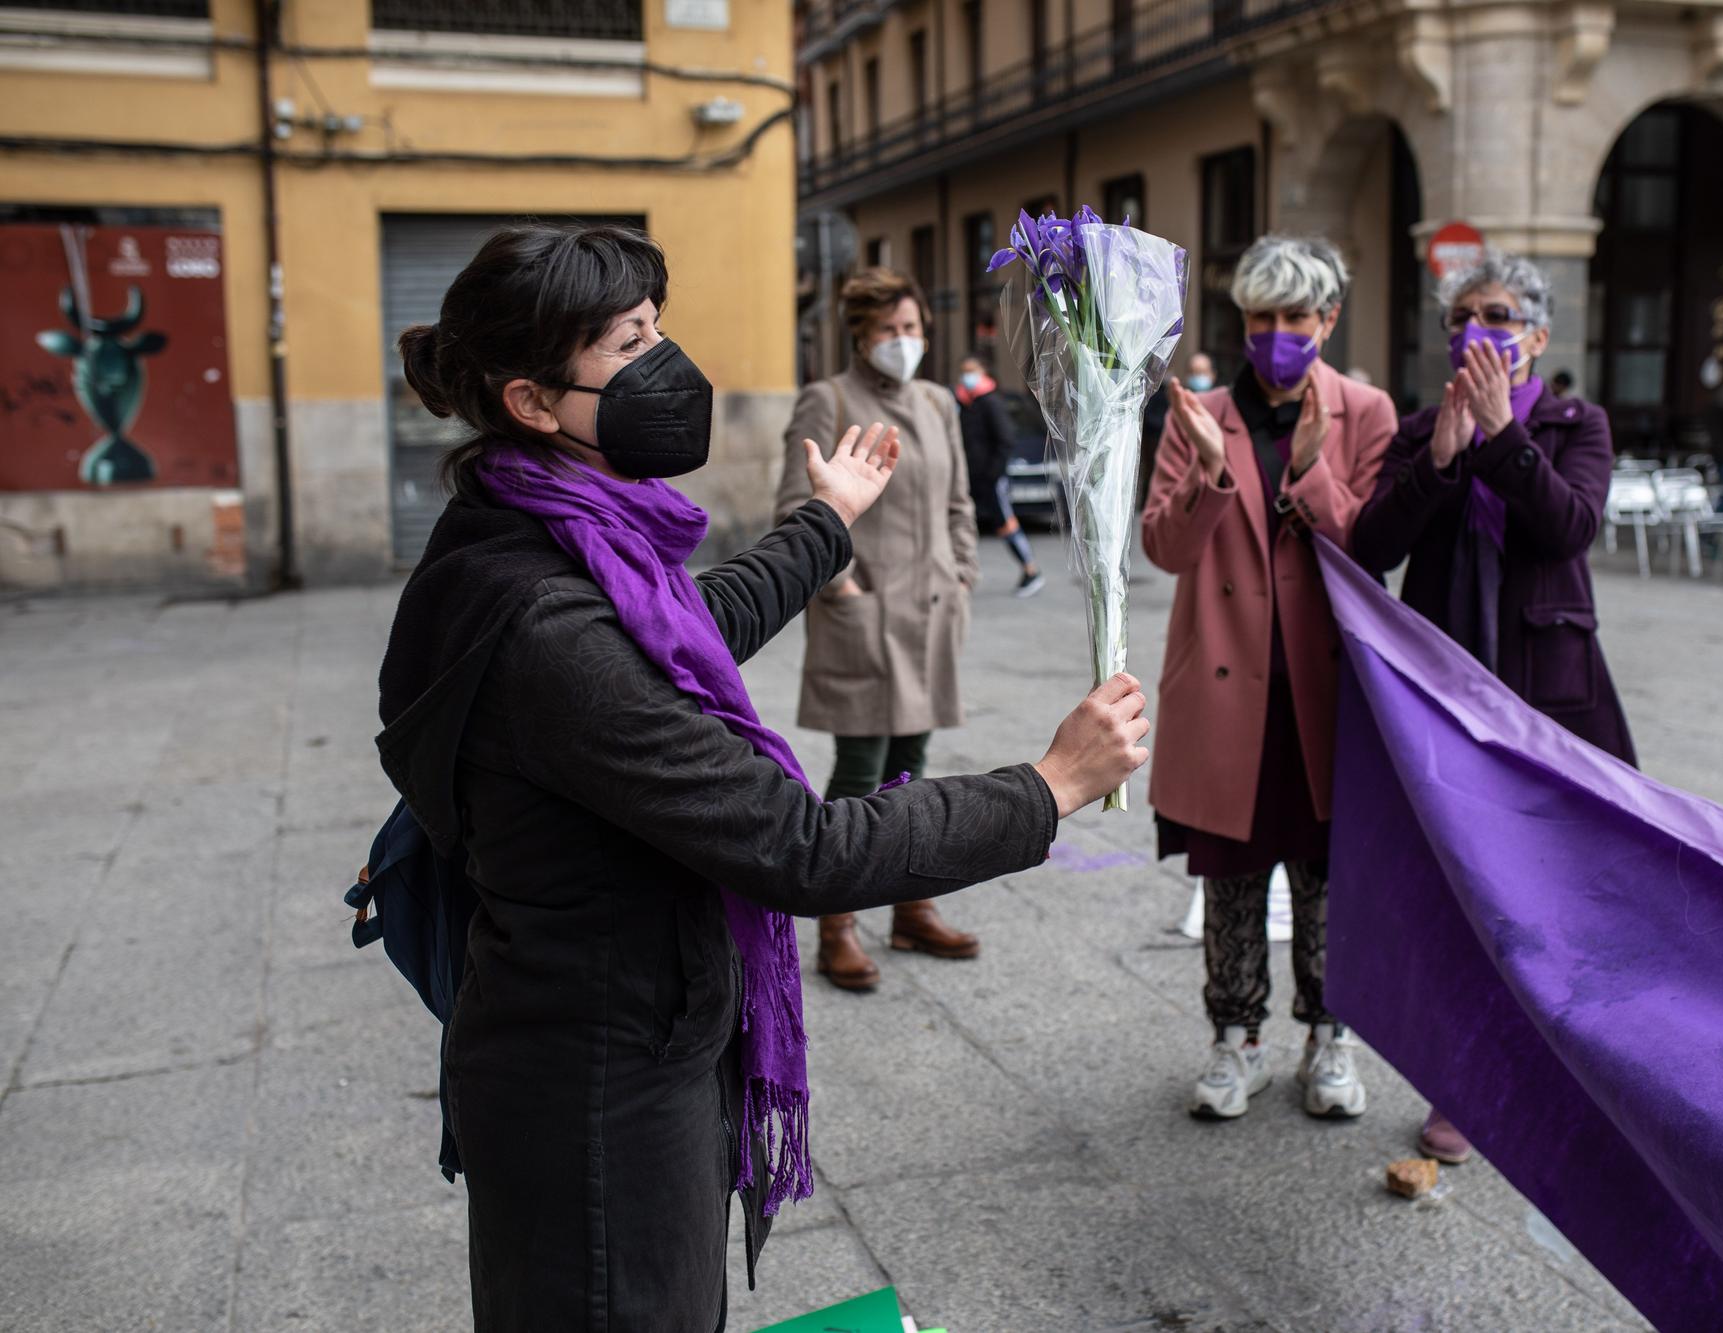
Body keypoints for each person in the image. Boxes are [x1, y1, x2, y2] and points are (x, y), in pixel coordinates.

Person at [378, 224, 1149, 1331]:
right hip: (601, 1094)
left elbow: (684, 629)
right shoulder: (548, 618)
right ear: (534, 403)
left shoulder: (544, 533)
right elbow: (801, 847)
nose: (667, 364)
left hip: (612, 1031)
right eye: (631, 344)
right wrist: (1047, 787)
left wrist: (822, 522)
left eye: (659, 329)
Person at [1348, 250, 1637, 1169]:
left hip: (1550, 692)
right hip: (1446, 689)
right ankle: (1465, 1082)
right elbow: (1370, 548)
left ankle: (1564, 1069)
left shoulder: (1573, 423)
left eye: (1501, 315)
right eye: (1465, 315)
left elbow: (1571, 527)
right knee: (1462, 888)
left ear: (1537, 338)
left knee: (1555, 892)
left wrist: (1504, 435)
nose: (1481, 329)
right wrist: (1437, 463)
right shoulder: (1425, 425)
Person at [1142, 234, 1397, 1122]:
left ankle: (1332, 1038)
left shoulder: (1366, 411)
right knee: (1233, 875)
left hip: (1325, 688)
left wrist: (1315, 469)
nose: (1277, 333)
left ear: (1328, 319)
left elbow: (1370, 546)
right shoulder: (1198, 410)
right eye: (1261, 317)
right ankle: (1236, 1041)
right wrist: (1210, 473)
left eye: (1295, 317)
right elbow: (1164, 547)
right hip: (1226, 685)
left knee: (1331, 876)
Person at [776, 268, 984, 991]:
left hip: (930, 613)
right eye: (891, 329)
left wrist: (963, 574)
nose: (905, 342)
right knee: (860, 773)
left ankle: (909, 903)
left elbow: (959, 499)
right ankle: (837, 922)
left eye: (914, 328)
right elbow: (795, 512)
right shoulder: (828, 400)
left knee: (912, 767)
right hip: (863, 617)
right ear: (860, 333)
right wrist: (846, 588)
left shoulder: (936, 402)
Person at [954, 354, 1046, 596]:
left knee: (1006, 524)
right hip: (973, 477)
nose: (967, 376)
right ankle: (962, 573)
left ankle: (1031, 570)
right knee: (962, 523)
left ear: (983, 373)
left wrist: (994, 473)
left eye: (971, 370)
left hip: (990, 478)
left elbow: (1005, 440)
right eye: (964, 371)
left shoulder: (990, 403)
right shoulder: (966, 403)